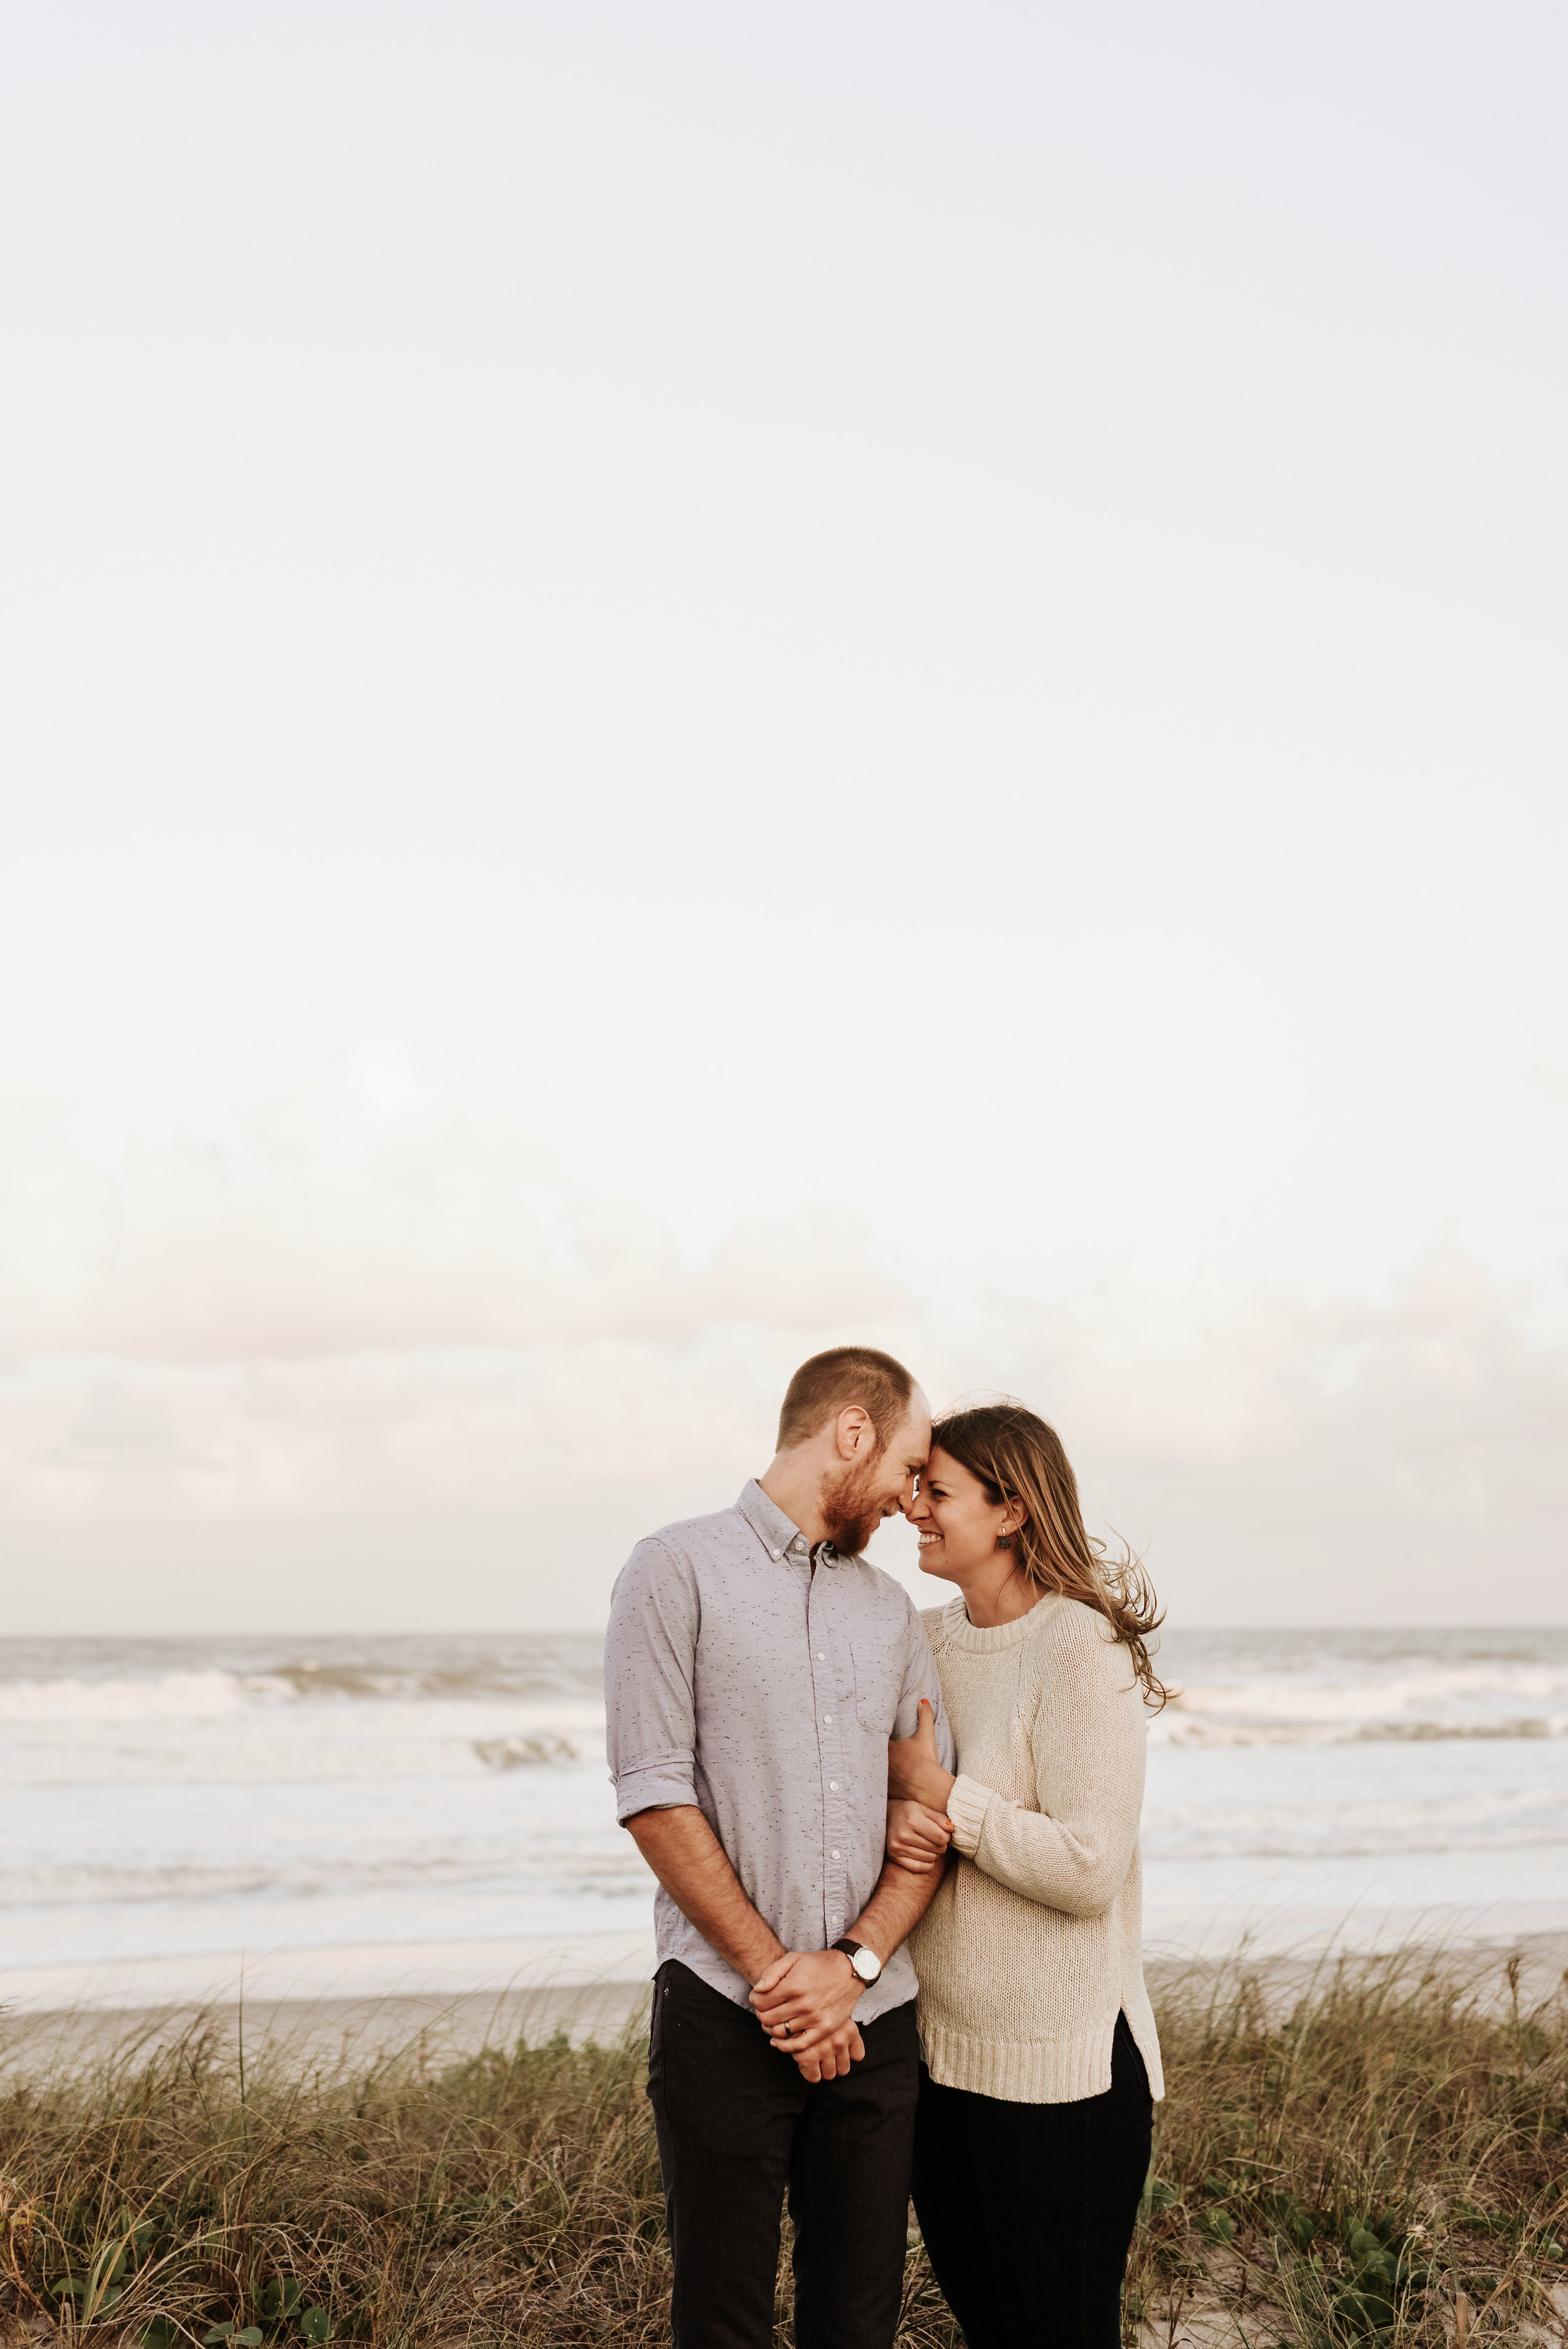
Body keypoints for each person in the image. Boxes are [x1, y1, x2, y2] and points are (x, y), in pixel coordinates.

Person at [604, 1344, 957, 2349]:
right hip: (722, 2011)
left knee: (859, 2326)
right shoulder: (673, 1569)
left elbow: (920, 1824)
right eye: (904, 1468)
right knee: (723, 2326)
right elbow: (654, 1795)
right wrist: (781, 1982)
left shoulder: (890, 1612)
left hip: (874, 2021)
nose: (908, 1499)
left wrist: (850, 1971)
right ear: (851, 1432)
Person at [885, 1400, 1168, 2349]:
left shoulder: (1078, 1646)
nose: (913, 1506)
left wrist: (946, 1797)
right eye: (917, 1485)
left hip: (1066, 2080)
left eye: (938, 1490)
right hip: (943, 2064)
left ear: (1010, 1511)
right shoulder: (921, 1640)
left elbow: (1092, 1866)